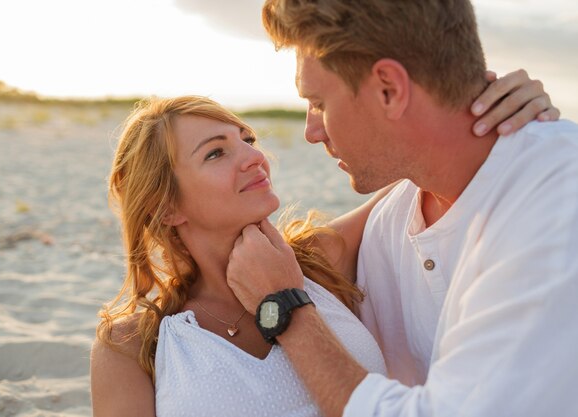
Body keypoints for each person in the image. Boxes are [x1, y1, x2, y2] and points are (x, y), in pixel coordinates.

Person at [90, 81, 554, 416]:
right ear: (167, 206)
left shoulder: (316, 261)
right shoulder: (134, 345)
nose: (254, 156)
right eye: (216, 152)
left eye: (246, 139)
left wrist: (504, 117)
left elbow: (436, 173)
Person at [225, 1, 578, 417]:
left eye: (318, 102)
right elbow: (252, 269)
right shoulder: (394, 212)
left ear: (389, 89)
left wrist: (286, 312)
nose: (310, 131)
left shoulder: (556, 208)